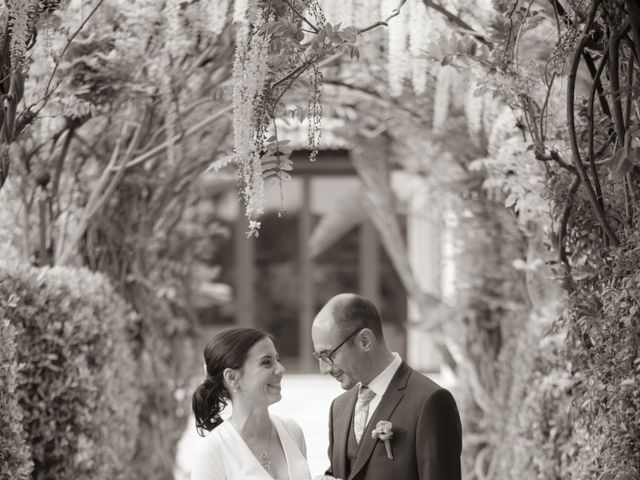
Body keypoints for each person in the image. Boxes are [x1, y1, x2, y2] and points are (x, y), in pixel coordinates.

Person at [311, 293, 462, 480]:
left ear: (364, 341)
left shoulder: (430, 402)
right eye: (318, 357)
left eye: (328, 355)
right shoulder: (339, 408)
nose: (324, 369)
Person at [191, 327, 312, 480]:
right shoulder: (211, 451)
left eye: (277, 360)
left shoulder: (293, 431)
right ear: (232, 377)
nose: (281, 369)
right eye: (266, 362)